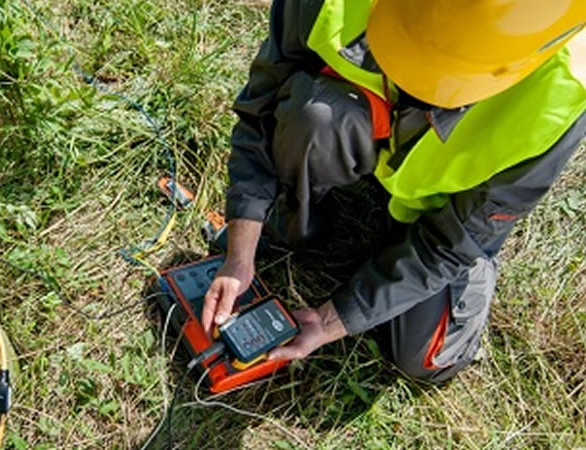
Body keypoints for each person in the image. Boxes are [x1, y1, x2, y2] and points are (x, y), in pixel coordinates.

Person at [201, 0, 586, 384]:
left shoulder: (563, 89)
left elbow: (452, 243)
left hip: (441, 212)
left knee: (424, 359)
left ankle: (443, 272)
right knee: (312, 118)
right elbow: (261, 104)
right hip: (359, 117)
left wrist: (330, 321)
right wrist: (241, 252)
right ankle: (292, 219)